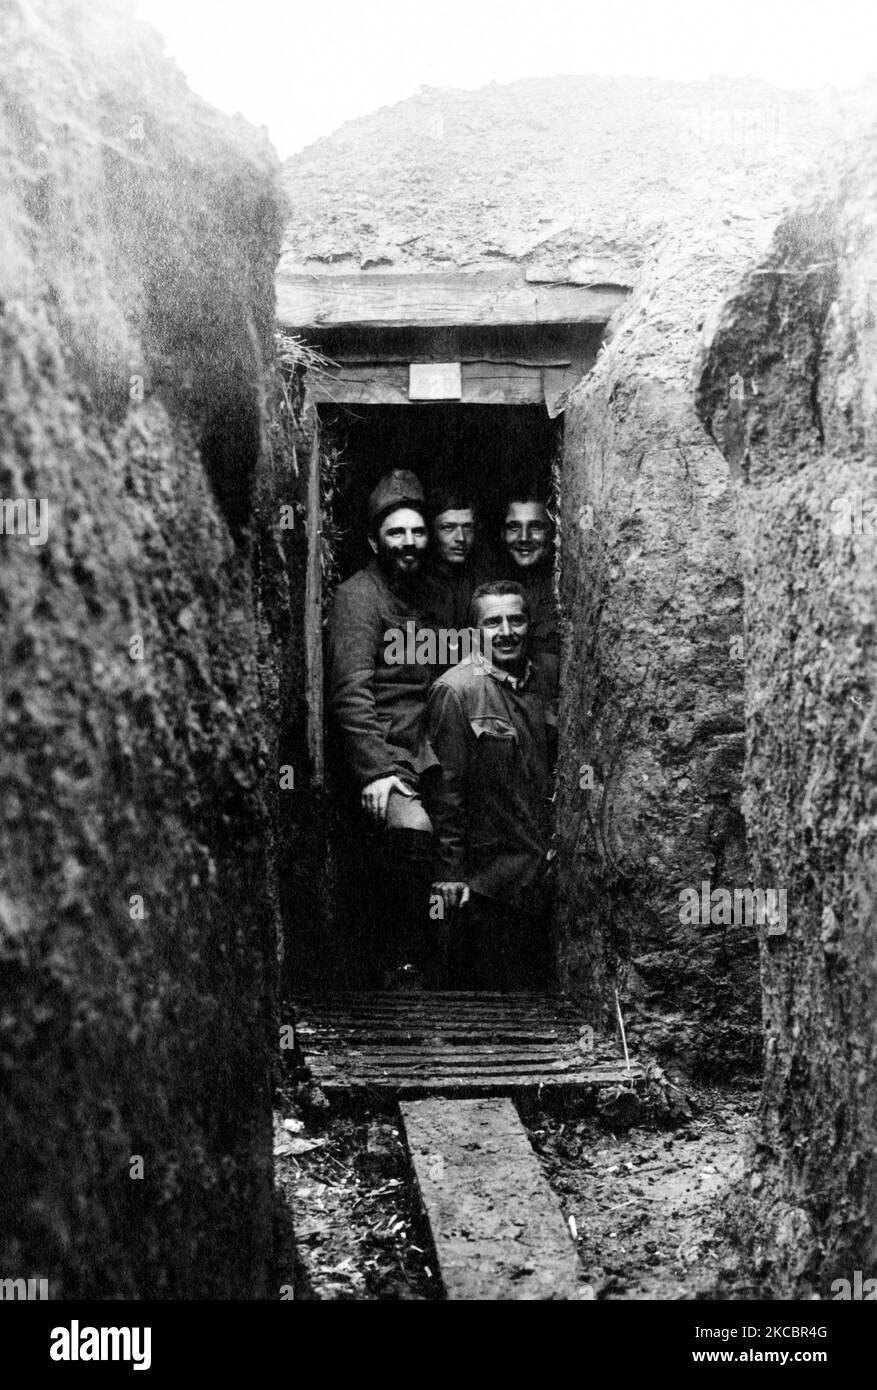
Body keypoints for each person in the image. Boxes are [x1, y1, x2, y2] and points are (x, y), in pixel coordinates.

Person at [327, 468, 438, 984]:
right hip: (388, 752)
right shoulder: (358, 597)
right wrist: (374, 771)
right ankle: (403, 965)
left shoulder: (432, 595)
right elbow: (350, 693)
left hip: (433, 748)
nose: (408, 543)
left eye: (417, 532)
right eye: (397, 533)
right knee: (411, 829)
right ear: (375, 539)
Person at [425, 580, 557, 989]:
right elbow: (445, 791)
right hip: (490, 885)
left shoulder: (550, 679)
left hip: (545, 877)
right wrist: (450, 873)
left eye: (516, 620)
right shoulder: (456, 691)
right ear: (473, 632)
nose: (505, 632)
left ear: (528, 625)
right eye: (492, 622)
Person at [498, 493, 559, 659]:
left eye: (536, 527)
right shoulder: (489, 592)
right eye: (514, 527)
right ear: (503, 534)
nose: (524, 537)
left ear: (553, 532)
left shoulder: (566, 590)